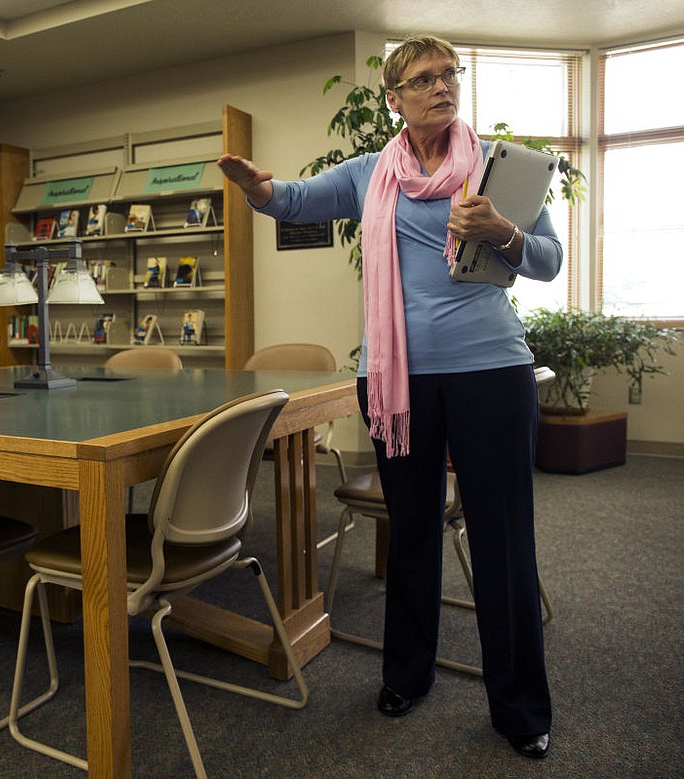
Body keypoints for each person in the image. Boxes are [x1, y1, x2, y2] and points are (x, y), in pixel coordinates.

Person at [218, 34, 559, 760]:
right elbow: (296, 200)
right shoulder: (374, 172)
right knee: (410, 532)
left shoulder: (503, 166)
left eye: (450, 75)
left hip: (490, 372)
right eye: (424, 78)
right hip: (398, 380)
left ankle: (521, 705)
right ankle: (407, 673)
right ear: (394, 97)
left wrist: (502, 230)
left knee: (503, 542)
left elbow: (550, 260)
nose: (442, 87)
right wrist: (257, 189)